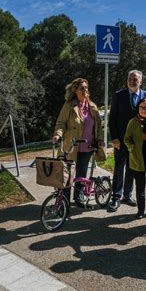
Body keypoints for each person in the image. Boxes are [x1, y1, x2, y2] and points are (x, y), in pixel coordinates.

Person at [52, 78, 106, 207]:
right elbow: (61, 123)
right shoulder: (69, 105)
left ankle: (79, 198)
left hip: (87, 146)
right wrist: (58, 134)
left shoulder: (92, 106)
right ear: (75, 90)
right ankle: (64, 201)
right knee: (67, 174)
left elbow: (98, 126)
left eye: (86, 88)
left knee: (82, 173)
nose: (85, 90)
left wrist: (99, 140)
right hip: (71, 146)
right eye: (82, 88)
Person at [108, 70, 146, 212]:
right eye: (130, 79)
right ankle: (116, 196)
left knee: (132, 169)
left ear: (141, 81)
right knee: (119, 168)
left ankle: (127, 194)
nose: (132, 81)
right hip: (120, 140)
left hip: (138, 142)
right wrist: (114, 137)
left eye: (135, 79)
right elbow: (112, 118)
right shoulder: (118, 96)